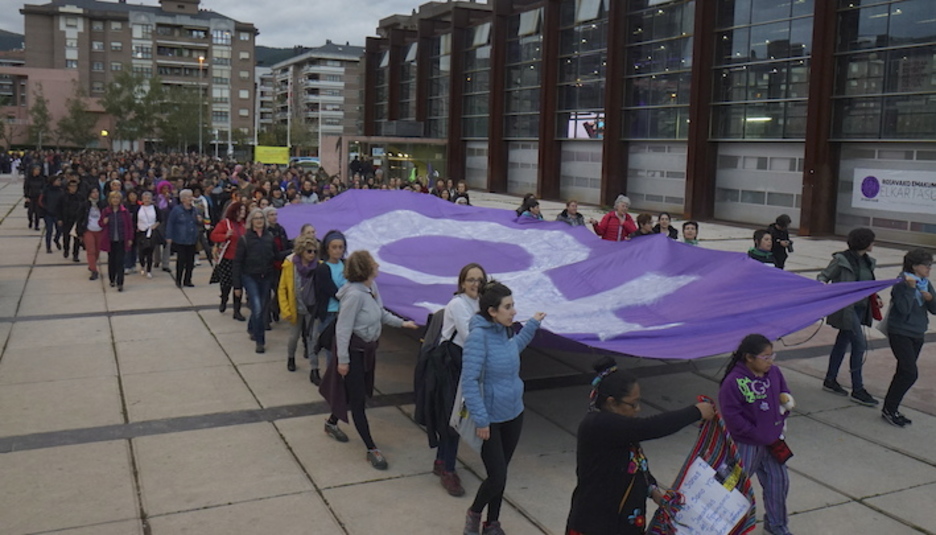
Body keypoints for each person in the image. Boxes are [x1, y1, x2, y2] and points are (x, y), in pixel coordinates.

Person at [566, 357, 715, 535]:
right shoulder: (598, 425)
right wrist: (696, 412)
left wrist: (652, 490)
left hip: (622, 522)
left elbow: (635, 462)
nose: (637, 409)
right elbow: (649, 427)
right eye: (633, 404)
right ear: (612, 402)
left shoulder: (620, 426)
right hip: (598, 524)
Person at [320, 250, 418, 469]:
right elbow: (342, 330)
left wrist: (403, 324)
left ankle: (331, 423)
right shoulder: (354, 296)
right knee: (358, 401)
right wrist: (342, 361)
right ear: (365, 269)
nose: (378, 266)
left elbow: (380, 313)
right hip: (354, 354)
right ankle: (371, 448)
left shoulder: (371, 288)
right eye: (374, 263)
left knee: (354, 392)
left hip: (367, 352)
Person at [462, 281, 545, 535]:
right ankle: (475, 513)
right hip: (490, 420)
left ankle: (493, 523)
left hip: (514, 413)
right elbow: (469, 381)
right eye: (508, 307)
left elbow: (512, 351)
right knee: (496, 476)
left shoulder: (504, 331)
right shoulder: (478, 337)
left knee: (502, 473)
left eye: (513, 305)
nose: (513, 311)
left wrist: (532, 325)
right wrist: (482, 420)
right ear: (492, 311)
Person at [719, 334, 794, 535]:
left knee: (779, 483)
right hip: (746, 444)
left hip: (773, 442)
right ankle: (720, 523)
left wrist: (785, 409)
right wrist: (754, 433)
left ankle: (776, 525)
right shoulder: (733, 382)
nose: (770, 361)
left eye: (772, 356)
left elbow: (783, 396)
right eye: (765, 357)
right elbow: (732, 416)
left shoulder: (775, 374)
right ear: (749, 358)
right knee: (733, 484)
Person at [426, 263, 488, 497]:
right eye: (471, 280)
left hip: (466, 364)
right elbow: (470, 337)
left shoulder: (480, 303)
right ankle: (448, 470)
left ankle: (442, 461)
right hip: (451, 365)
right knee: (454, 418)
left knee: (454, 416)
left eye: (479, 280)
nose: (475, 284)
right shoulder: (458, 304)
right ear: (462, 283)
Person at [817, 228, 879, 406]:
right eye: (872, 241)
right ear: (865, 242)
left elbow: (868, 285)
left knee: (842, 342)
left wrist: (876, 297)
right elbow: (824, 276)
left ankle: (830, 379)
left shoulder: (868, 262)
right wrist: (822, 286)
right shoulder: (841, 260)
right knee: (859, 345)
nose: (874, 244)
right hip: (847, 309)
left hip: (860, 309)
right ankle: (858, 389)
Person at [881, 249, 936, 427]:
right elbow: (903, 309)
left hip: (917, 332)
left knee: (903, 371)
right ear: (914, 266)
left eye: (931, 265)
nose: (929, 269)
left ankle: (890, 409)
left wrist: (929, 299)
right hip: (900, 332)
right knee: (910, 373)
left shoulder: (925, 283)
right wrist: (911, 290)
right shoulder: (902, 283)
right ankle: (890, 409)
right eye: (926, 265)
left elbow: (935, 309)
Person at [233, 208, 277, 353]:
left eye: (261, 218)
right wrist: (237, 286)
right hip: (250, 276)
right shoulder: (245, 239)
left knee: (262, 307)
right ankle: (260, 341)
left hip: (266, 276)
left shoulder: (269, 237)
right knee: (257, 308)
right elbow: (238, 263)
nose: (259, 221)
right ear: (251, 221)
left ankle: (252, 327)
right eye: (256, 218)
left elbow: (275, 257)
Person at [278, 234, 319, 373]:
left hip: (312, 308)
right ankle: (291, 357)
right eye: (309, 251)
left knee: (312, 338)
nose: (312, 254)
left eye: (314, 251)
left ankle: (314, 368)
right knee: (293, 337)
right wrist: (285, 310)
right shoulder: (290, 265)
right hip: (295, 307)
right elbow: (282, 288)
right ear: (301, 251)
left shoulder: (319, 267)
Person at [311, 230, 347, 385]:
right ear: (327, 249)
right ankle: (331, 380)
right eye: (334, 247)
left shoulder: (346, 265)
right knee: (330, 348)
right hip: (330, 313)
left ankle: (338, 379)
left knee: (342, 348)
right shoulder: (323, 269)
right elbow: (332, 291)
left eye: (340, 247)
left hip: (344, 312)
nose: (338, 250)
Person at [210, 202, 247, 319]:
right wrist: (225, 236)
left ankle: (237, 310)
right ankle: (224, 299)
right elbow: (213, 236)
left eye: (244, 210)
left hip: (241, 259)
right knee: (226, 284)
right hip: (227, 258)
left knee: (238, 285)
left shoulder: (245, 225)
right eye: (240, 210)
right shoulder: (225, 223)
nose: (243, 213)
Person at [165, 189, 201, 288]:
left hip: (192, 239)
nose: (191, 199)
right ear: (183, 199)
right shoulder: (176, 210)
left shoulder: (195, 210)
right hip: (180, 239)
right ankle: (178, 280)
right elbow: (170, 223)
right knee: (181, 260)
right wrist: (169, 236)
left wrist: (199, 220)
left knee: (190, 261)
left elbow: (198, 223)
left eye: (191, 196)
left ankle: (188, 280)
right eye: (188, 197)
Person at [99, 191, 134, 292]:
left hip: (121, 240)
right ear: (110, 200)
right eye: (113, 198)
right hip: (110, 240)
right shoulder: (106, 211)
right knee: (112, 261)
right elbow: (100, 223)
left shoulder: (124, 211)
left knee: (120, 261)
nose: (115, 200)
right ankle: (112, 278)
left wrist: (130, 239)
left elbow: (129, 226)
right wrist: (103, 222)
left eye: (117, 198)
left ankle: (120, 283)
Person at [76, 188, 104, 280]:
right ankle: (94, 270)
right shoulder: (85, 205)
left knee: (97, 251)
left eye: (97, 192)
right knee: (90, 250)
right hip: (88, 230)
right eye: (93, 192)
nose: (95, 194)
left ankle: (92, 264)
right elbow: (79, 219)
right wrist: (80, 231)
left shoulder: (102, 204)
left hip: (100, 230)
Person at [136, 191, 160, 278]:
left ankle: (149, 270)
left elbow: (160, 219)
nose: (147, 200)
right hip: (141, 233)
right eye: (145, 198)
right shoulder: (138, 208)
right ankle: (142, 266)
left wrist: (155, 225)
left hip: (151, 232)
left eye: (149, 198)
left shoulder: (155, 208)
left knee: (150, 252)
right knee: (141, 252)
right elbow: (134, 220)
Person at [40, 175, 65, 254]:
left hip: (58, 214)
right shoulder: (46, 190)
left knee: (59, 230)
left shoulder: (61, 191)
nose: (59, 182)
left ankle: (56, 240)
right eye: (57, 180)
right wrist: (46, 208)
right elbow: (40, 201)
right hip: (48, 213)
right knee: (49, 230)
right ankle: (48, 247)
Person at [60, 180, 83, 262]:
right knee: (66, 237)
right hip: (66, 219)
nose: (73, 188)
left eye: (75, 186)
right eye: (72, 186)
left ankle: (75, 254)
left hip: (76, 219)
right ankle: (66, 249)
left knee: (76, 238)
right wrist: (59, 219)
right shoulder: (63, 196)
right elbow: (59, 208)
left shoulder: (80, 196)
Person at [24, 165, 45, 231]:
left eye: (38, 170)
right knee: (30, 212)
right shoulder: (29, 178)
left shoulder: (41, 179)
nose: (37, 171)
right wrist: (26, 196)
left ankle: (36, 225)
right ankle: (30, 221)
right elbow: (26, 188)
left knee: (37, 212)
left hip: (38, 197)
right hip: (31, 197)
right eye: (36, 170)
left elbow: (44, 187)